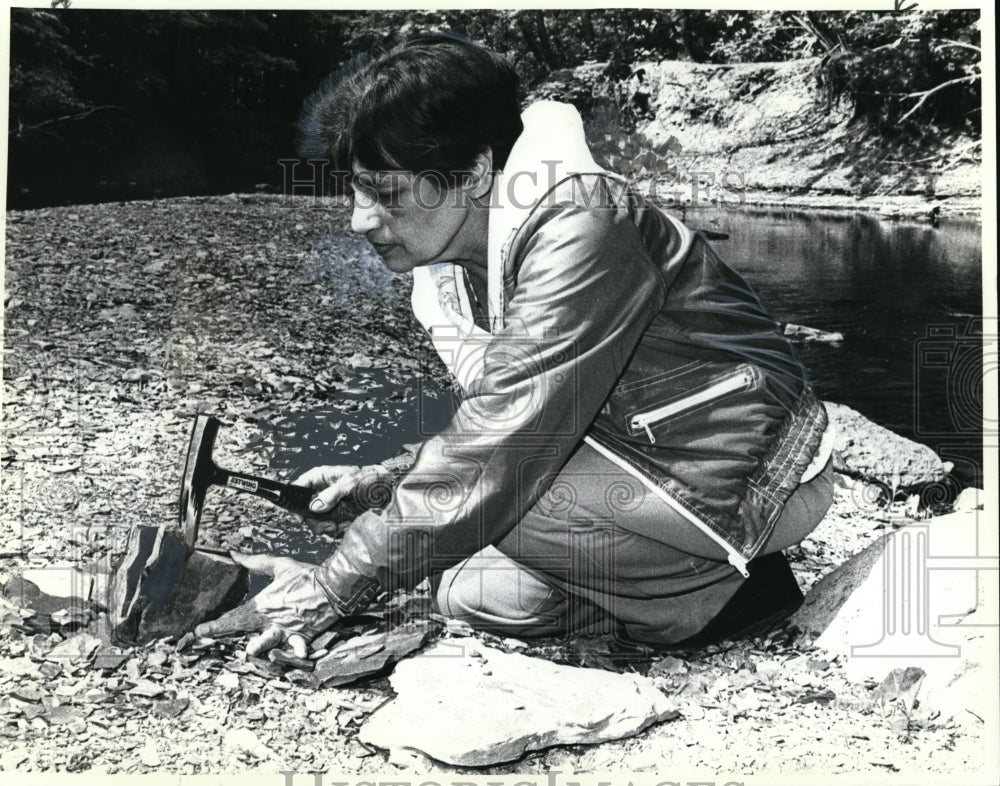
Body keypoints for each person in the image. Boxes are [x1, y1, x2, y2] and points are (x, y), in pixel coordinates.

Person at [196, 33, 835, 658]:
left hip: (752, 471)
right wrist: (384, 481)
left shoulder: (582, 225)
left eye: (386, 193)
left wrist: (334, 587)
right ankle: (635, 594)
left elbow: (506, 442)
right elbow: (509, 411)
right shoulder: (445, 272)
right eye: (356, 191)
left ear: (474, 170)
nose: (360, 219)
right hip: (635, 456)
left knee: (506, 495)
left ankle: (726, 601)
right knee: (478, 596)